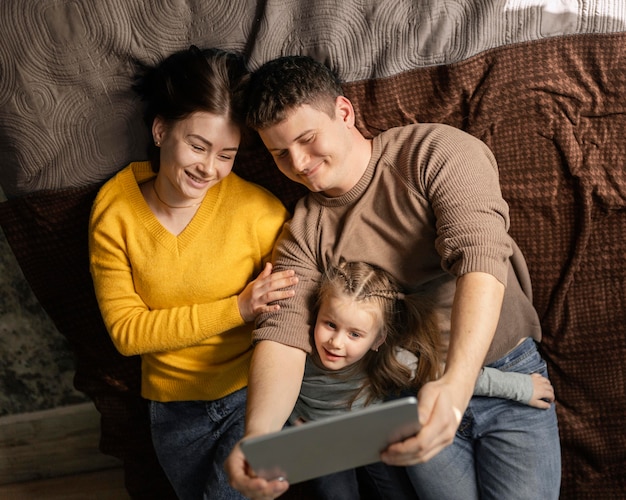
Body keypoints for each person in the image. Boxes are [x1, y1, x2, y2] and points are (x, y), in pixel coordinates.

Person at [225, 55, 561, 500]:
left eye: (307, 139)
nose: (300, 163)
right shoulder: (304, 230)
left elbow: (480, 256)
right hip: (407, 392)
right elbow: (282, 333)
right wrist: (260, 440)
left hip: (506, 370)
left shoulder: (435, 151)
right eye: (280, 153)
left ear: (343, 113)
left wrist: (457, 384)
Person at [88, 46, 296, 500]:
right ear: (161, 130)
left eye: (227, 154)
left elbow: (290, 321)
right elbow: (127, 332)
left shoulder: (261, 213)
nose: (208, 168)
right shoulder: (115, 210)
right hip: (172, 410)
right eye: (197, 145)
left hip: (252, 393)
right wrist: (238, 308)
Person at [289, 260, 555, 499]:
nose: (335, 343)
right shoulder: (299, 354)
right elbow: (282, 393)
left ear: (378, 340)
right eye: (330, 325)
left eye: (355, 335)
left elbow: (452, 375)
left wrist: (520, 387)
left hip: (370, 439)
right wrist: (293, 423)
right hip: (323, 441)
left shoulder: (392, 360)